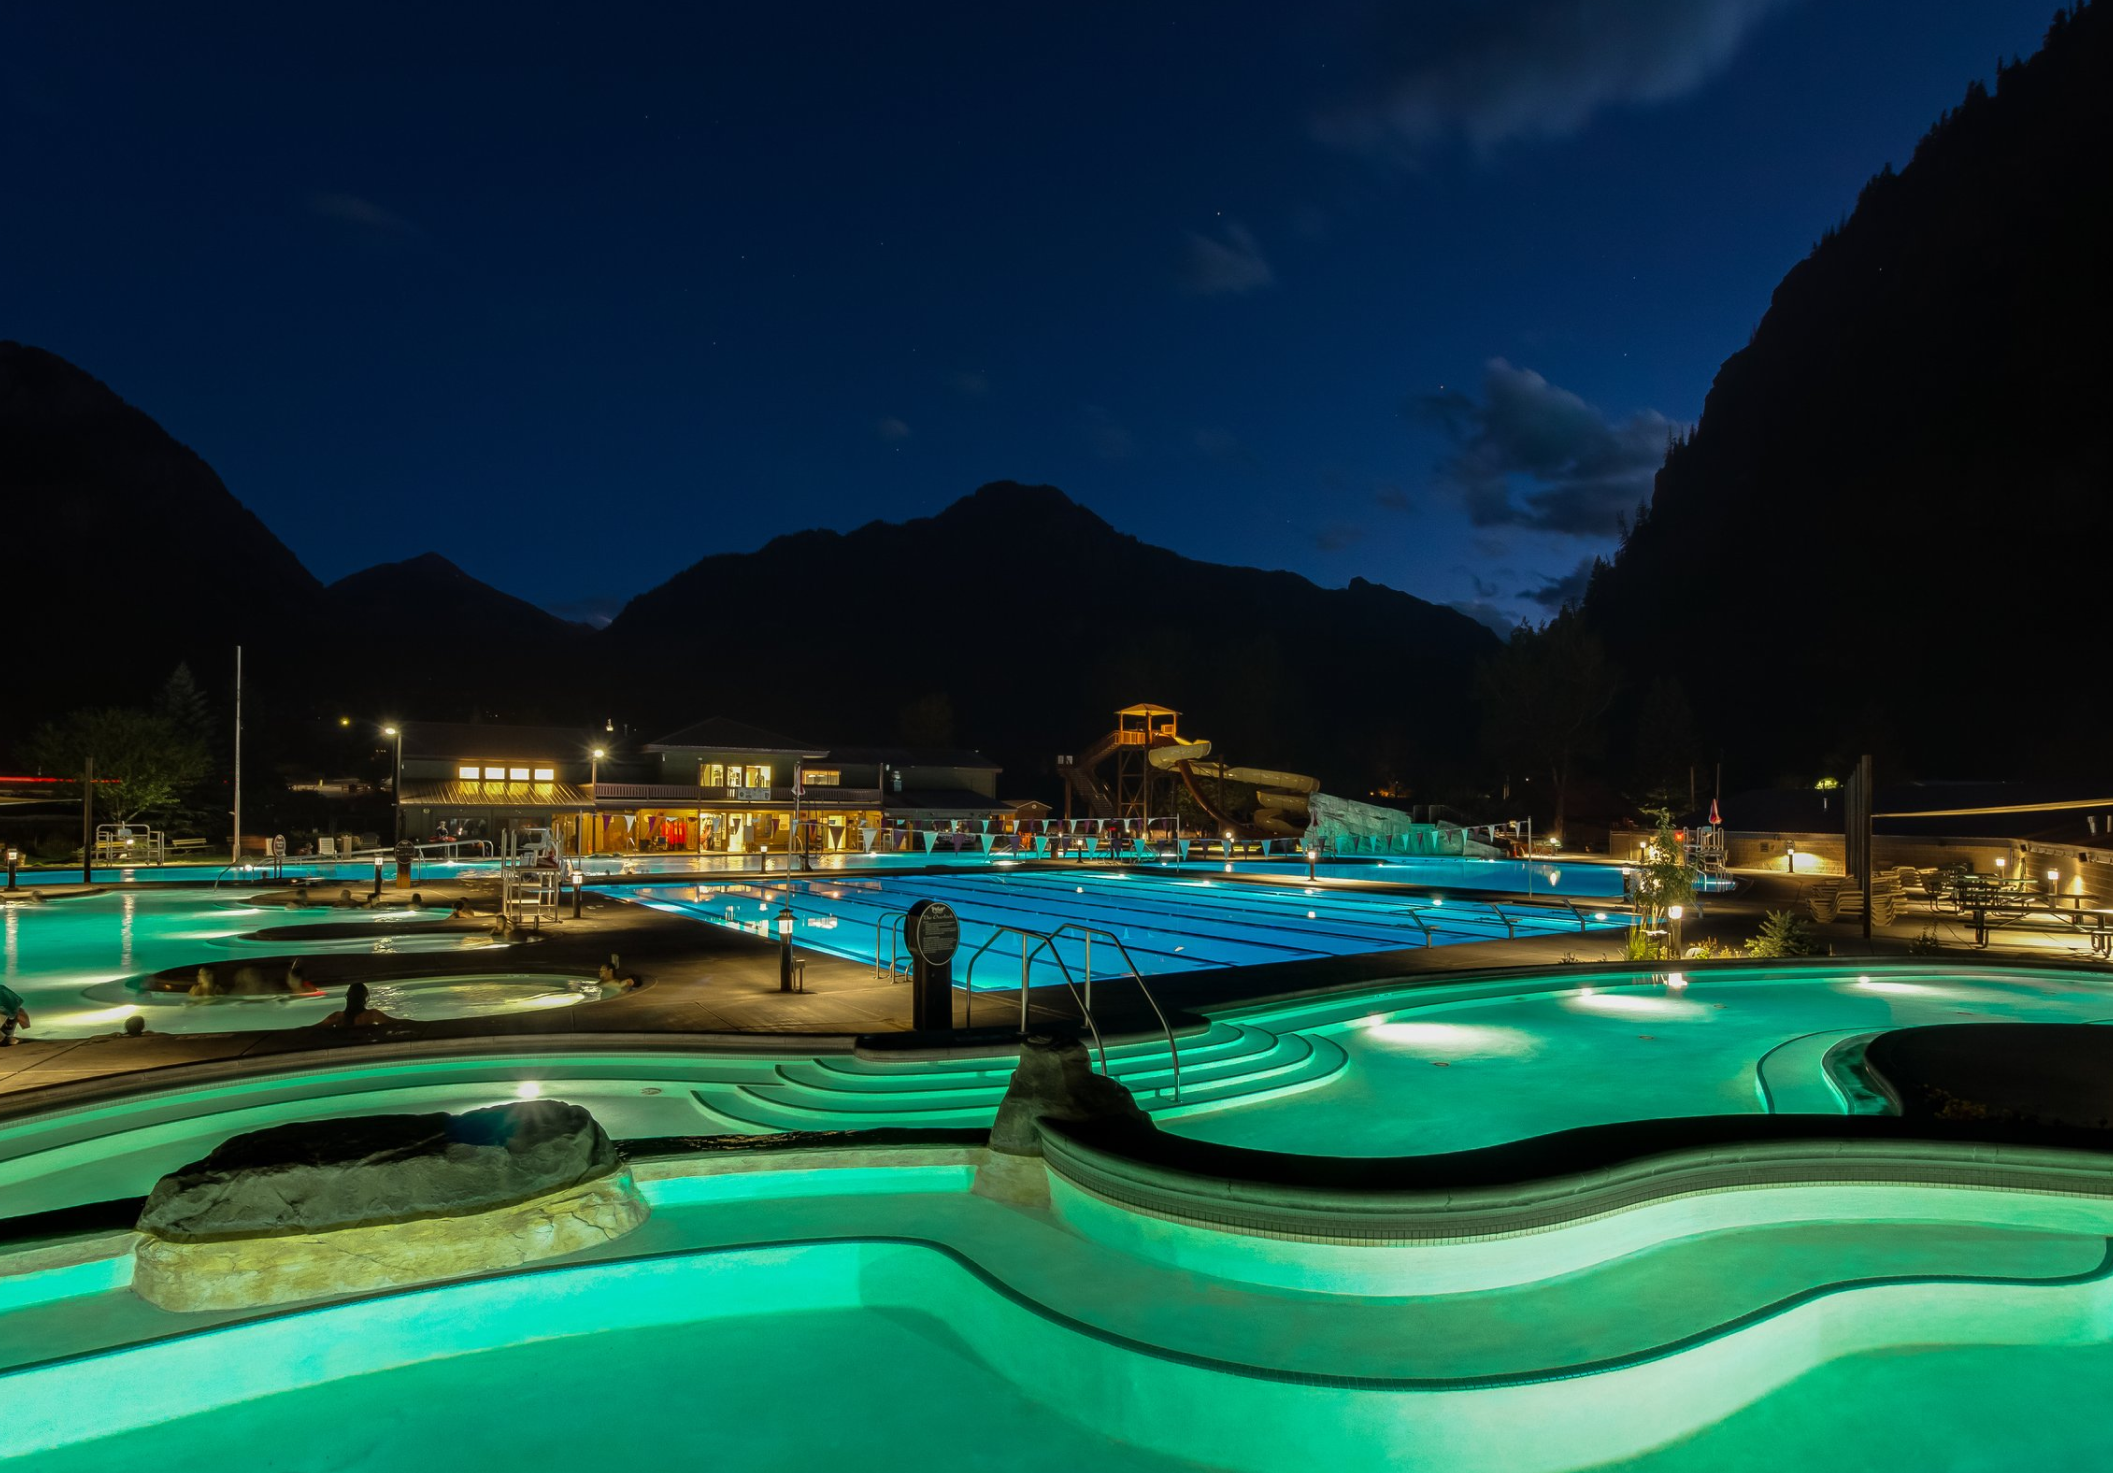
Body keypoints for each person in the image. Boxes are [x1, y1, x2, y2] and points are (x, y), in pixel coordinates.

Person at [318, 981, 391, 1028]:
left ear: (348, 997)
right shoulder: (372, 1014)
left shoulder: (337, 1017)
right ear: (364, 997)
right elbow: (394, 1023)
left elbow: (317, 1027)